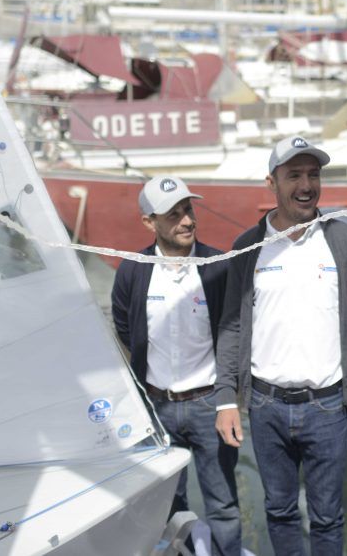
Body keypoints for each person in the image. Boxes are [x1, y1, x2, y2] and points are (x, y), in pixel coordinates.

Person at [214, 135, 347, 555]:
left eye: (313, 174)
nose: (306, 185)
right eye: (294, 175)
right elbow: (232, 328)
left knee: (328, 516)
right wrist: (225, 399)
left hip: (327, 406)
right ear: (271, 183)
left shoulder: (344, 241)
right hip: (265, 407)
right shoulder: (247, 248)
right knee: (279, 511)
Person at [111, 175, 241, 555]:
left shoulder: (217, 267)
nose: (186, 220)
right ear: (149, 222)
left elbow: (233, 335)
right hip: (158, 410)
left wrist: (228, 400)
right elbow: (125, 327)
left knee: (223, 505)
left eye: (188, 210)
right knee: (168, 508)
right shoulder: (132, 271)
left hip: (210, 406)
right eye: (173, 214)